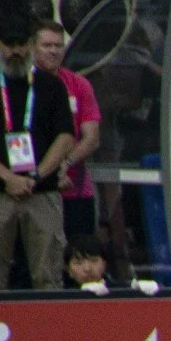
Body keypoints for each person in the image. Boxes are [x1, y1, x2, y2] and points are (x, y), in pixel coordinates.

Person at [0, 12, 73, 291]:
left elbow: (65, 137)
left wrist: (36, 175)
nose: (15, 52)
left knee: (48, 276)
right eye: (9, 45)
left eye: (21, 44)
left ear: (31, 44)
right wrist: (7, 177)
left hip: (41, 191)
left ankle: (50, 333)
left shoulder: (51, 86)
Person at [29, 21, 100, 243]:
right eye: (47, 45)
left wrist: (65, 164)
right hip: (32, 189)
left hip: (75, 189)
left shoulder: (78, 84)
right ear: (32, 47)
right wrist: (45, 173)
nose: (53, 50)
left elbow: (92, 138)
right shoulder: (20, 83)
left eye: (58, 46)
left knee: (81, 255)